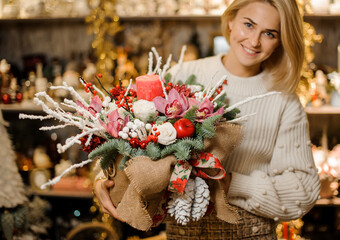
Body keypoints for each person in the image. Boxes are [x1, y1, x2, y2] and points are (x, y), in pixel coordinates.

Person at [94, 0, 321, 239]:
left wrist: (231, 183)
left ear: (281, 40)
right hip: (181, 233)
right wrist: (104, 179)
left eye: (269, 33)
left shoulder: (284, 100)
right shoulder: (180, 76)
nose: (254, 41)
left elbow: (303, 192)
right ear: (231, 21)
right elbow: (130, 138)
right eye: (248, 25)